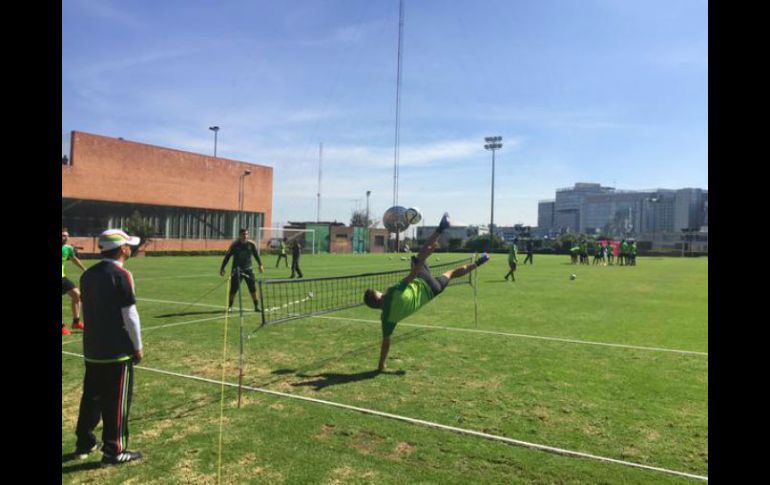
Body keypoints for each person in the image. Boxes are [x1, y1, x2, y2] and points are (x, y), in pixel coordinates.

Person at [363, 213, 489, 372]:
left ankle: (479, 262)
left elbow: (386, 342)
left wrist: (381, 365)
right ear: (378, 295)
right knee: (420, 253)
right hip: (421, 278)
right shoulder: (392, 292)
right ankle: (440, 228)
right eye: (377, 291)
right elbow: (414, 273)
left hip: (432, 291)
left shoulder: (386, 320)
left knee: (451, 273)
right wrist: (425, 256)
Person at [74, 229, 144, 466]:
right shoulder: (121, 275)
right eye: (129, 245)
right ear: (122, 248)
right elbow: (130, 315)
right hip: (117, 352)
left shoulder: (88, 275)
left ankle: (84, 441)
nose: (131, 249)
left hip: (93, 349)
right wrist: (138, 346)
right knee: (116, 401)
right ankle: (114, 450)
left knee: (91, 397)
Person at [220, 228, 264, 312]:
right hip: (237, 270)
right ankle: (230, 307)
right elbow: (227, 257)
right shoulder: (234, 245)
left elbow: (256, 255)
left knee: (253, 288)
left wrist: (260, 265)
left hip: (248, 270)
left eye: (246, 234)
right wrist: (223, 268)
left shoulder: (251, 244)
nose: (245, 236)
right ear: (240, 235)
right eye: (243, 234)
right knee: (233, 289)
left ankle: (256, 306)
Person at [62, 228, 87, 335]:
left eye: (66, 235)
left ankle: (76, 322)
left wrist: (84, 269)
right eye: (63, 235)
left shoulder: (68, 248)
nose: (65, 237)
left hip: (62, 277)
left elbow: (74, 259)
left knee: (77, 295)